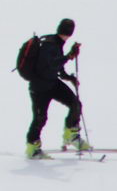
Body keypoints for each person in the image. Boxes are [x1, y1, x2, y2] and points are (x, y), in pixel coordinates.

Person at [25, 18, 87, 158]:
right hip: (40, 87)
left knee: (75, 104)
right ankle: (32, 147)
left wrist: (68, 76)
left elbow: (55, 65)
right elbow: (50, 64)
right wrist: (69, 56)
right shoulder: (49, 44)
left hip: (52, 83)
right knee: (40, 118)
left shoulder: (57, 42)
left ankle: (71, 135)